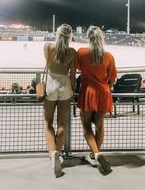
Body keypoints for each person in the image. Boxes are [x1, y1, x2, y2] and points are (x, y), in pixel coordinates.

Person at [76, 25, 117, 175]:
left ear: (87, 37)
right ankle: (94, 155)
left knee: (86, 127)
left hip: (87, 93)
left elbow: (76, 68)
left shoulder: (81, 52)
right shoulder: (108, 56)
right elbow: (112, 78)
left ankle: (96, 154)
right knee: (100, 127)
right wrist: (106, 87)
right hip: (103, 93)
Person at [43, 24, 76, 178]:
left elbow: (48, 66)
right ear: (70, 36)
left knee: (48, 123)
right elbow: (72, 75)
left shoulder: (48, 47)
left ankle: (53, 153)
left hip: (50, 84)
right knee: (62, 123)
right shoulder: (72, 52)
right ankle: (58, 151)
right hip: (65, 86)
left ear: (57, 34)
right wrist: (73, 90)